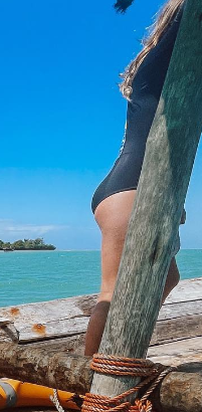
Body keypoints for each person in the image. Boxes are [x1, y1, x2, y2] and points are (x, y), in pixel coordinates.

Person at [85, 0, 185, 356]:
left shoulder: (162, 63)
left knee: (167, 278)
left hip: (134, 185)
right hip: (131, 189)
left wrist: (174, 202)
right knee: (113, 290)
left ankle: (123, 358)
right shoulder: (179, 40)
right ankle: (89, 386)